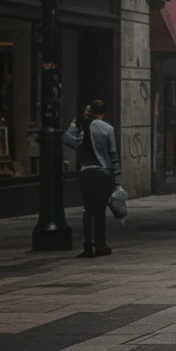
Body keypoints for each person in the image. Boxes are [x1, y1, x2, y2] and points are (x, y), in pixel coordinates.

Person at [63, 99, 122, 257]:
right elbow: (113, 156)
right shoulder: (108, 129)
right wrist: (117, 182)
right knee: (100, 210)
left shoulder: (84, 127)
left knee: (88, 210)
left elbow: (68, 139)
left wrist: (73, 125)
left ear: (91, 112)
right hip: (102, 173)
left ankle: (88, 243)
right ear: (103, 112)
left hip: (86, 172)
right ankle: (101, 243)